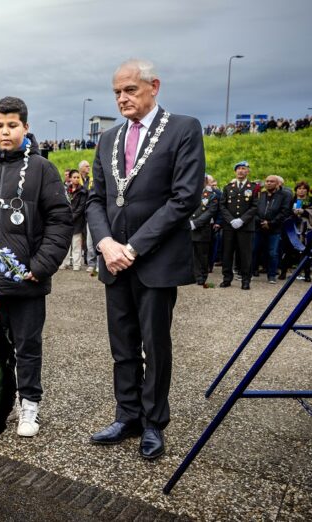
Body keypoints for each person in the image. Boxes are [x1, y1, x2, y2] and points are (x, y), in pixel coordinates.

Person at [86, 59, 204, 459]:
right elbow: (95, 199)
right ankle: (127, 415)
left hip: (153, 260)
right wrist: (104, 243)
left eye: (130, 90)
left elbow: (184, 198)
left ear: (154, 86)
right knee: (122, 344)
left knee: (155, 344)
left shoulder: (183, 129)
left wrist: (132, 247)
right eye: (117, 92)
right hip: (113, 260)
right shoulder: (107, 139)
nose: (122, 98)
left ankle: (154, 422)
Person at [0, 96, 73, 437]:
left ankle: (29, 405)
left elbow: (60, 221)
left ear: (25, 127)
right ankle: (4, 401)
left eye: (12, 125)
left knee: (27, 345)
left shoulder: (43, 169)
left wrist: (41, 266)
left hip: (26, 278)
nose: (5, 131)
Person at [220, 161, 258, 290]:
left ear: (248, 171)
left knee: (245, 254)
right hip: (229, 226)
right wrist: (231, 220)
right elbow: (222, 205)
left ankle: (245, 280)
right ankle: (226, 278)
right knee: (227, 253)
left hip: (245, 227)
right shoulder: (228, 187)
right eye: (238, 169)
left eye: (243, 169)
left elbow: (255, 206)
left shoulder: (253, 187)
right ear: (235, 172)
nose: (241, 171)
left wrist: (242, 220)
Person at [254, 175, 291, 284]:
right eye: (267, 181)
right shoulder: (261, 195)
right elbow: (254, 210)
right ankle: (250, 272)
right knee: (253, 250)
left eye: (272, 181)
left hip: (274, 229)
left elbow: (284, 212)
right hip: (259, 227)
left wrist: (270, 223)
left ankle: (271, 275)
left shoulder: (283, 196)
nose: (269, 183)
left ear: (277, 184)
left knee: (273, 253)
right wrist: (261, 221)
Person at [190, 174, 219, 285]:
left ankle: (202, 276)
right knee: (191, 254)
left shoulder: (212, 195)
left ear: (205, 181)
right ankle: (193, 275)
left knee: (202, 254)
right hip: (189, 227)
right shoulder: (190, 192)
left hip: (202, 229)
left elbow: (210, 212)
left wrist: (196, 223)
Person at [63, 169, 87, 270]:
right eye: (74, 177)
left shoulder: (83, 191)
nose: (76, 179)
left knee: (76, 243)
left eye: (78, 177)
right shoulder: (66, 190)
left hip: (77, 221)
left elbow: (81, 208)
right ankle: (65, 262)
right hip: (66, 221)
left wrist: (71, 218)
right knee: (66, 244)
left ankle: (77, 264)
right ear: (70, 178)